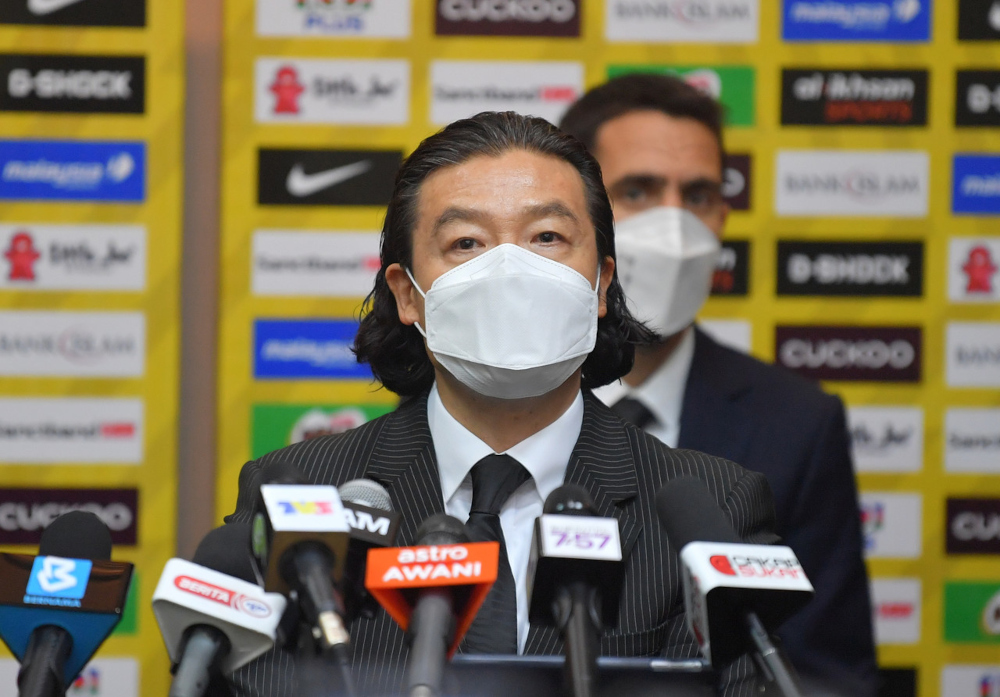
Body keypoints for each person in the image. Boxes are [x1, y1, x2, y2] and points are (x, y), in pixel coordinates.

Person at [223, 111, 777, 696]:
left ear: (601, 285)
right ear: (408, 295)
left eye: (547, 238)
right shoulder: (304, 502)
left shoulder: (715, 509)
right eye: (467, 243)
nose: (511, 271)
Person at [560, 74, 877, 697]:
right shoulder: (484, 399)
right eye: (639, 190)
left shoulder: (798, 425)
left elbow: (827, 675)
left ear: (723, 219)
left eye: (698, 194)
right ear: (572, 213)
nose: (674, 226)